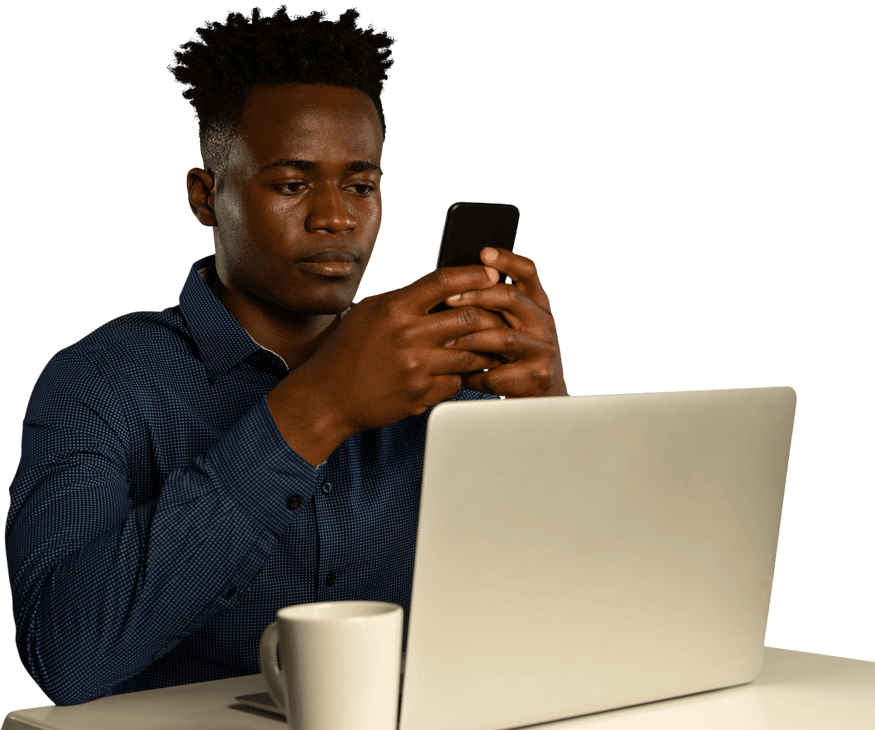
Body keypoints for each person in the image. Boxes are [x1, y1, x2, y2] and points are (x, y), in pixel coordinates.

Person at [5, 5, 568, 706]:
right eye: (293, 183)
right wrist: (317, 408)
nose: (336, 216)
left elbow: (556, 628)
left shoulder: (451, 379)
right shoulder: (99, 383)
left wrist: (552, 434)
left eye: (361, 185)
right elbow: (65, 657)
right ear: (205, 197)